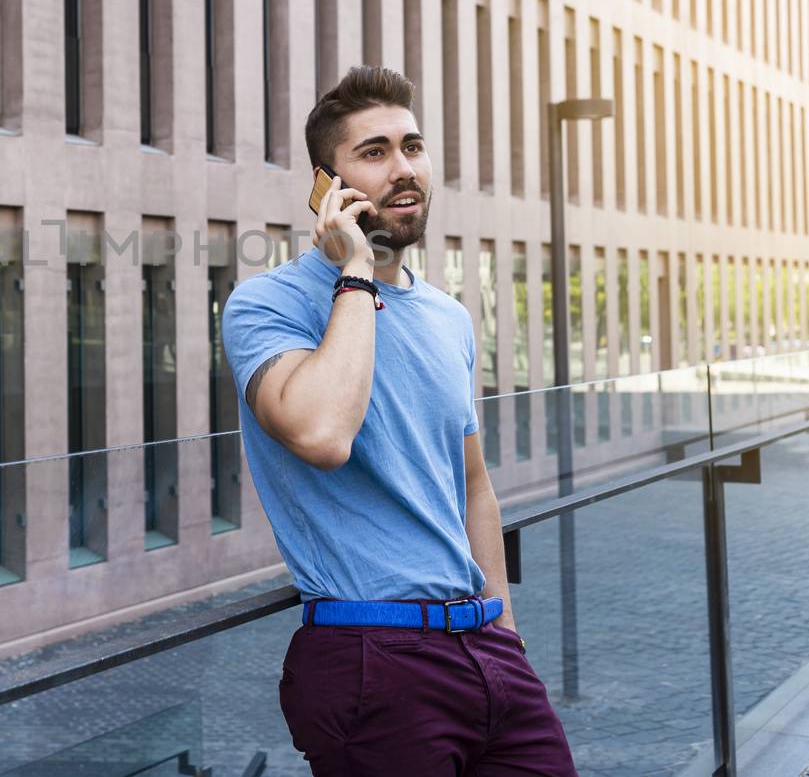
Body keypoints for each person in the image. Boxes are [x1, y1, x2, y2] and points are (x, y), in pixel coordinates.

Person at [222, 67, 576, 775]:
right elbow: (323, 435)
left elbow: (473, 486)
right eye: (375, 152)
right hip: (371, 660)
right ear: (327, 187)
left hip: (486, 653)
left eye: (412, 147)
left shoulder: (448, 317)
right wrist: (353, 273)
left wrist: (505, 631)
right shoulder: (265, 306)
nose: (404, 168)